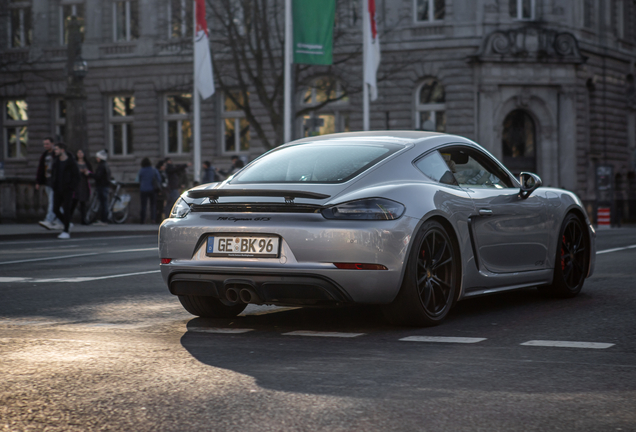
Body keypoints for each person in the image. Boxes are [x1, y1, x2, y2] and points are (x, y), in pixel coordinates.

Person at [51, 143, 80, 239]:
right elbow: (54, 174)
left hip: (67, 190)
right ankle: (67, 223)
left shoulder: (71, 162)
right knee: (55, 209)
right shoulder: (56, 162)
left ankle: (66, 231)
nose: (55, 151)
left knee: (67, 210)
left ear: (62, 150)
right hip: (57, 189)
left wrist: (71, 187)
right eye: (55, 149)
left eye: (57, 149)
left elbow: (77, 176)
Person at [36, 137, 62, 230]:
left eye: (47, 144)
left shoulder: (57, 154)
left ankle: (49, 220)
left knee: (53, 202)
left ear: (52, 143)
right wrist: (38, 181)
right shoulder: (44, 155)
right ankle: (61, 221)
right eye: (44, 144)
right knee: (57, 204)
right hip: (47, 181)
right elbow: (41, 169)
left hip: (55, 182)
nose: (45, 146)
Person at [70, 149, 93, 225]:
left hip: (84, 184)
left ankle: (83, 219)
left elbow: (91, 173)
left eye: (81, 152)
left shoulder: (87, 163)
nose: (80, 154)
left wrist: (87, 173)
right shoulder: (74, 163)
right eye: (78, 153)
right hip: (76, 184)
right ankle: (68, 218)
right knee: (74, 202)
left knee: (83, 203)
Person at [137, 157, 162, 224]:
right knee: (153, 205)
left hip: (143, 189)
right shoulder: (153, 170)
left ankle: (142, 220)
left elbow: (139, 179)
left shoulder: (141, 170)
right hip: (152, 189)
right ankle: (153, 219)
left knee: (143, 205)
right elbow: (159, 179)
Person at [91, 150, 111, 226]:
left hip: (102, 186)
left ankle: (104, 220)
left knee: (103, 204)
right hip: (105, 186)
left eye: (97, 157)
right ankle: (104, 220)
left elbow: (98, 176)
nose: (96, 159)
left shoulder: (101, 166)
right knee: (104, 204)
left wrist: (90, 174)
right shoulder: (106, 165)